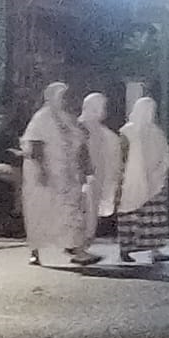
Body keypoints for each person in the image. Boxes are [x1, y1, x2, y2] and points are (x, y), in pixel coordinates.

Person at [21, 82, 101, 267]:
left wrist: (85, 168)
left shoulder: (67, 119)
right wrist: (42, 171)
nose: (66, 100)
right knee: (40, 212)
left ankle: (76, 250)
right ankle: (35, 251)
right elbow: (35, 144)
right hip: (46, 176)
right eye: (62, 96)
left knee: (71, 211)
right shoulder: (42, 118)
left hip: (68, 176)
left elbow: (80, 144)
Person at [117, 96, 169, 264]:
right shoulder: (127, 131)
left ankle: (155, 249)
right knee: (131, 215)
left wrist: (159, 172)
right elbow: (121, 155)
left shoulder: (157, 133)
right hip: (133, 180)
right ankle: (126, 248)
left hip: (155, 181)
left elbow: (165, 154)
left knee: (154, 217)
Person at [78, 92, 123, 249]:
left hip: (97, 181)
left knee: (91, 216)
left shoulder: (107, 135)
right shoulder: (76, 130)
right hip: (80, 181)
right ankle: (79, 247)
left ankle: (82, 246)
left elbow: (113, 161)